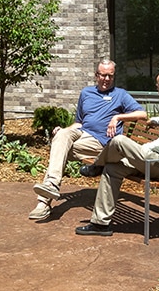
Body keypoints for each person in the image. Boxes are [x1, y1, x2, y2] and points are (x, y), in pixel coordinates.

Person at [75, 68, 159, 237]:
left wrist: (140, 150)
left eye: (158, 88)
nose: (158, 92)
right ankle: (100, 224)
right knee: (112, 169)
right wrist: (156, 120)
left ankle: (97, 165)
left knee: (119, 141)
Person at [29, 59, 144, 222]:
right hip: (83, 134)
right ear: (96, 75)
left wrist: (118, 117)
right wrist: (65, 131)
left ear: (114, 76)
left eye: (110, 76)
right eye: (103, 75)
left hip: (102, 143)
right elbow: (79, 123)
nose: (106, 79)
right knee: (61, 136)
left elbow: (142, 114)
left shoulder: (120, 95)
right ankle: (51, 186)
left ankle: (43, 203)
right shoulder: (86, 93)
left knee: (59, 148)